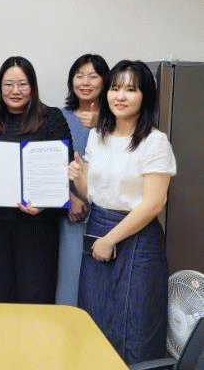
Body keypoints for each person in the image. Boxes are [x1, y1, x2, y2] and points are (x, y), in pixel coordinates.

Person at [68, 60, 175, 364]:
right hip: (98, 228)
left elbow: (152, 204)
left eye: (131, 90)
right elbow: (92, 194)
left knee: (135, 324)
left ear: (145, 97)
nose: (120, 96)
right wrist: (77, 177)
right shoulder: (97, 136)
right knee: (94, 319)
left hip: (137, 239)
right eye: (115, 88)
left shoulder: (155, 142)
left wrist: (110, 239)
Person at [0, 56, 72, 304]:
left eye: (22, 84)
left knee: (36, 296)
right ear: (0, 87)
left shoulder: (51, 118)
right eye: (8, 84)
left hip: (38, 224)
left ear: (32, 86)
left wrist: (46, 203)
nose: (15, 91)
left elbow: (64, 168)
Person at [56, 54, 109, 306]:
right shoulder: (59, 117)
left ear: (105, 82)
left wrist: (105, 123)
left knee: (104, 287)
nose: (85, 82)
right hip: (73, 215)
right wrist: (69, 199)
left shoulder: (119, 120)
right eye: (79, 76)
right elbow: (49, 166)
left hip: (110, 217)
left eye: (93, 76)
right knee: (70, 283)